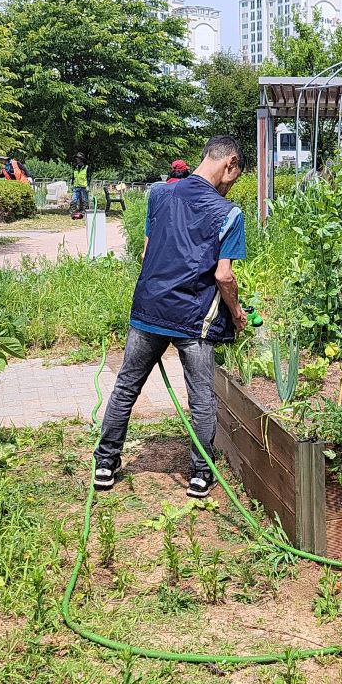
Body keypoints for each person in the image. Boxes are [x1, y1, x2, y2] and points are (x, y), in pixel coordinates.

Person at [93, 136, 248, 498]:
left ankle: (104, 463)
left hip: (149, 310)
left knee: (127, 386)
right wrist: (237, 313)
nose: (230, 185)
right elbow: (224, 276)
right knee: (201, 396)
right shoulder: (229, 213)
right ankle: (199, 474)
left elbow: (149, 250)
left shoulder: (159, 195)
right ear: (231, 163)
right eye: (234, 176)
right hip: (193, 319)